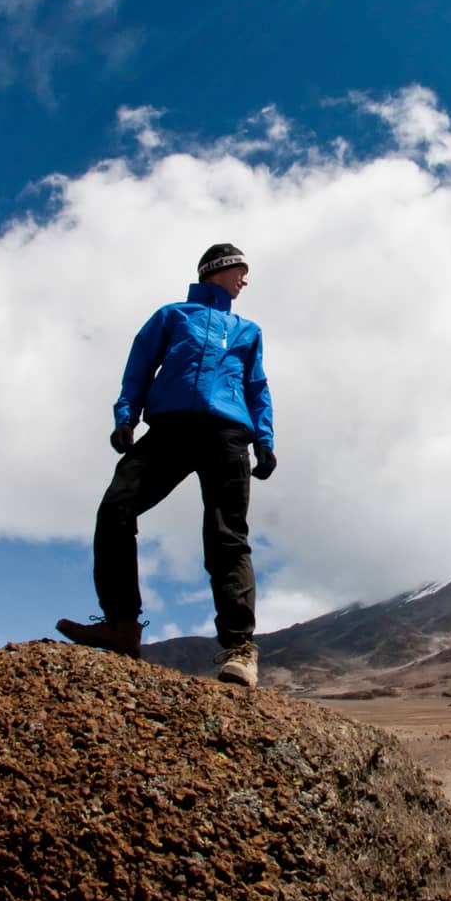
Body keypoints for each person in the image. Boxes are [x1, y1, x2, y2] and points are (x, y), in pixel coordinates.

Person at [57, 243, 276, 686]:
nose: (245, 281)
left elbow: (257, 386)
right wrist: (126, 416)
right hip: (171, 430)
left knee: (226, 537)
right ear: (218, 270)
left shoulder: (247, 330)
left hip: (228, 435)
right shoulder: (172, 316)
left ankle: (239, 649)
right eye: (241, 271)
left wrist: (265, 440)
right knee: (117, 508)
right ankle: (121, 624)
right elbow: (139, 366)